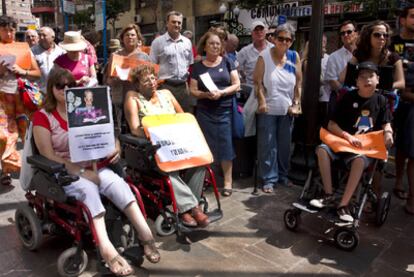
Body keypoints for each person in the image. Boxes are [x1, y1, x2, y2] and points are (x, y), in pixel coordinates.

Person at [32, 68, 160, 276]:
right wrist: (80, 171)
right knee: (89, 191)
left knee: (120, 184)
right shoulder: (42, 116)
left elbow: (107, 135)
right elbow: (47, 154)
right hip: (65, 171)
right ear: (51, 88)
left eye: (70, 85)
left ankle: (146, 236)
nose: (65, 89)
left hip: (94, 165)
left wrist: (116, 146)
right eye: (60, 86)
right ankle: (107, 250)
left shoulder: (86, 110)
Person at [124, 64, 210, 228]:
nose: (151, 82)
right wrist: (156, 133)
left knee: (201, 162)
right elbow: (135, 129)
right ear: (137, 84)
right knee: (168, 167)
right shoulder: (133, 98)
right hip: (154, 147)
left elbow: (182, 117)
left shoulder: (167, 94)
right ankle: (192, 208)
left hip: (177, 142)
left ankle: (187, 207)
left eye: (152, 78)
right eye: (145, 80)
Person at [310, 62, 393, 222]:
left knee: (360, 161)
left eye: (371, 76)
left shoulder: (381, 101)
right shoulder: (348, 97)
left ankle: (343, 204)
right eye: (362, 77)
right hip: (344, 142)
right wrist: (347, 136)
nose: (367, 80)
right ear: (356, 82)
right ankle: (328, 195)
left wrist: (388, 133)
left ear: (378, 80)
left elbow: (386, 123)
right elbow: (331, 124)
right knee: (321, 149)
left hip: (364, 148)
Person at [190, 31, 241, 197]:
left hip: (224, 110)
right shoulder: (197, 67)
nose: (215, 46)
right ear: (204, 46)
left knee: (226, 146)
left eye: (218, 44)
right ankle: (205, 180)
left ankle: (227, 181)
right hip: (205, 111)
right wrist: (206, 95)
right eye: (211, 43)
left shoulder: (227, 62)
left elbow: (236, 84)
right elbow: (193, 90)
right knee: (206, 146)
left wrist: (222, 92)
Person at [253, 23, 302, 193]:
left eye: (288, 39)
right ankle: (269, 178)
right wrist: (261, 102)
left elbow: (298, 84)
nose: (284, 42)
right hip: (268, 109)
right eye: (280, 38)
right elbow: (257, 82)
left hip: (286, 110)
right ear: (273, 39)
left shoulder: (294, 56)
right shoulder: (264, 56)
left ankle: (282, 175)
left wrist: (297, 103)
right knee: (267, 145)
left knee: (284, 146)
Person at [0, 15, 41, 185]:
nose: (9, 33)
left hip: (22, 98)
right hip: (2, 98)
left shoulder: (23, 49)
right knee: (3, 135)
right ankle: (8, 167)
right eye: (5, 30)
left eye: (11, 30)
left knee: (27, 135)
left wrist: (22, 71)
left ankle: (33, 167)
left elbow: (37, 73)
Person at [104, 24, 151, 134]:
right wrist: (116, 77)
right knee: (122, 131)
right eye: (127, 35)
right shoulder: (115, 56)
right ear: (122, 38)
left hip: (138, 99)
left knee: (139, 128)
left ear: (138, 38)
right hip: (119, 99)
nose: (130, 37)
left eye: (133, 35)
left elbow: (149, 78)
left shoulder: (144, 57)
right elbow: (108, 80)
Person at [390, 5, 414, 214]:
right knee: (397, 144)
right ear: (403, 19)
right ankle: (398, 181)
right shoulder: (392, 42)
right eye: (413, 16)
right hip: (396, 100)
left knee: (410, 146)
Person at [340, 21, 405, 90]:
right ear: (368, 37)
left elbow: (401, 83)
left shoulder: (394, 57)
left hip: (384, 96)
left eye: (385, 35)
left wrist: (379, 87)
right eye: (377, 35)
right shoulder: (360, 54)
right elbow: (342, 78)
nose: (382, 37)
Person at [150, 11, 194, 113]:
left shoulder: (187, 42)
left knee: (184, 117)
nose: (177, 25)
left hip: (183, 87)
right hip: (165, 87)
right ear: (167, 23)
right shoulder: (158, 42)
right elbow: (152, 66)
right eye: (173, 22)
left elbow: (189, 63)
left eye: (179, 23)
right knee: (167, 118)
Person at [324, 21, 358, 107]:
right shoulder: (334, 56)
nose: (346, 35)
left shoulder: (365, 54)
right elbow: (332, 80)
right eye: (342, 33)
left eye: (349, 32)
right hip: (341, 99)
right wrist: (346, 94)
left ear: (356, 33)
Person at [237, 21, 273, 86]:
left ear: (265, 32)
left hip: (271, 88)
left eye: (261, 29)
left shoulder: (273, 49)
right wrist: (243, 81)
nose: (259, 32)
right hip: (252, 89)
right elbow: (236, 68)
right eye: (256, 30)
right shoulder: (245, 51)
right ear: (252, 33)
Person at [31, 27, 66, 93]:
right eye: (39, 35)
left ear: (52, 37)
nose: (41, 37)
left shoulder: (61, 52)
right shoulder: (32, 51)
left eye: (44, 35)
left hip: (56, 91)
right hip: (38, 91)